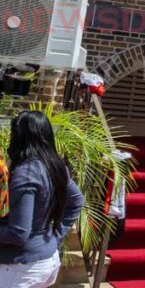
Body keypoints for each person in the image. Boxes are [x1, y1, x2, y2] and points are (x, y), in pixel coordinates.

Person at [0, 110, 85, 288]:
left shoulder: (26, 173)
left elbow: (18, 233)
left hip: (21, 268)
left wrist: (57, 235)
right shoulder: (54, 165)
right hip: (47, 259)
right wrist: (56, 237)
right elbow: (76, 200)